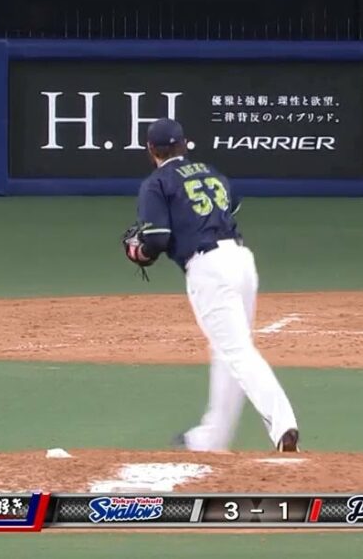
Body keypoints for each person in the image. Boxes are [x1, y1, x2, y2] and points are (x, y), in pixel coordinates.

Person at [123, 117, 300, 453]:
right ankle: (212, 438)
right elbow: (231, 205)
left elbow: (157, 239)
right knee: (227, 351)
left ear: (150, 149)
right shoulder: (210, 172)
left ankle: (283, 426)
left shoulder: (156, 183)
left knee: (236, 351)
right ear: (183, 144)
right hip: (241, 261)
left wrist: (138, 251)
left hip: (209, 269)